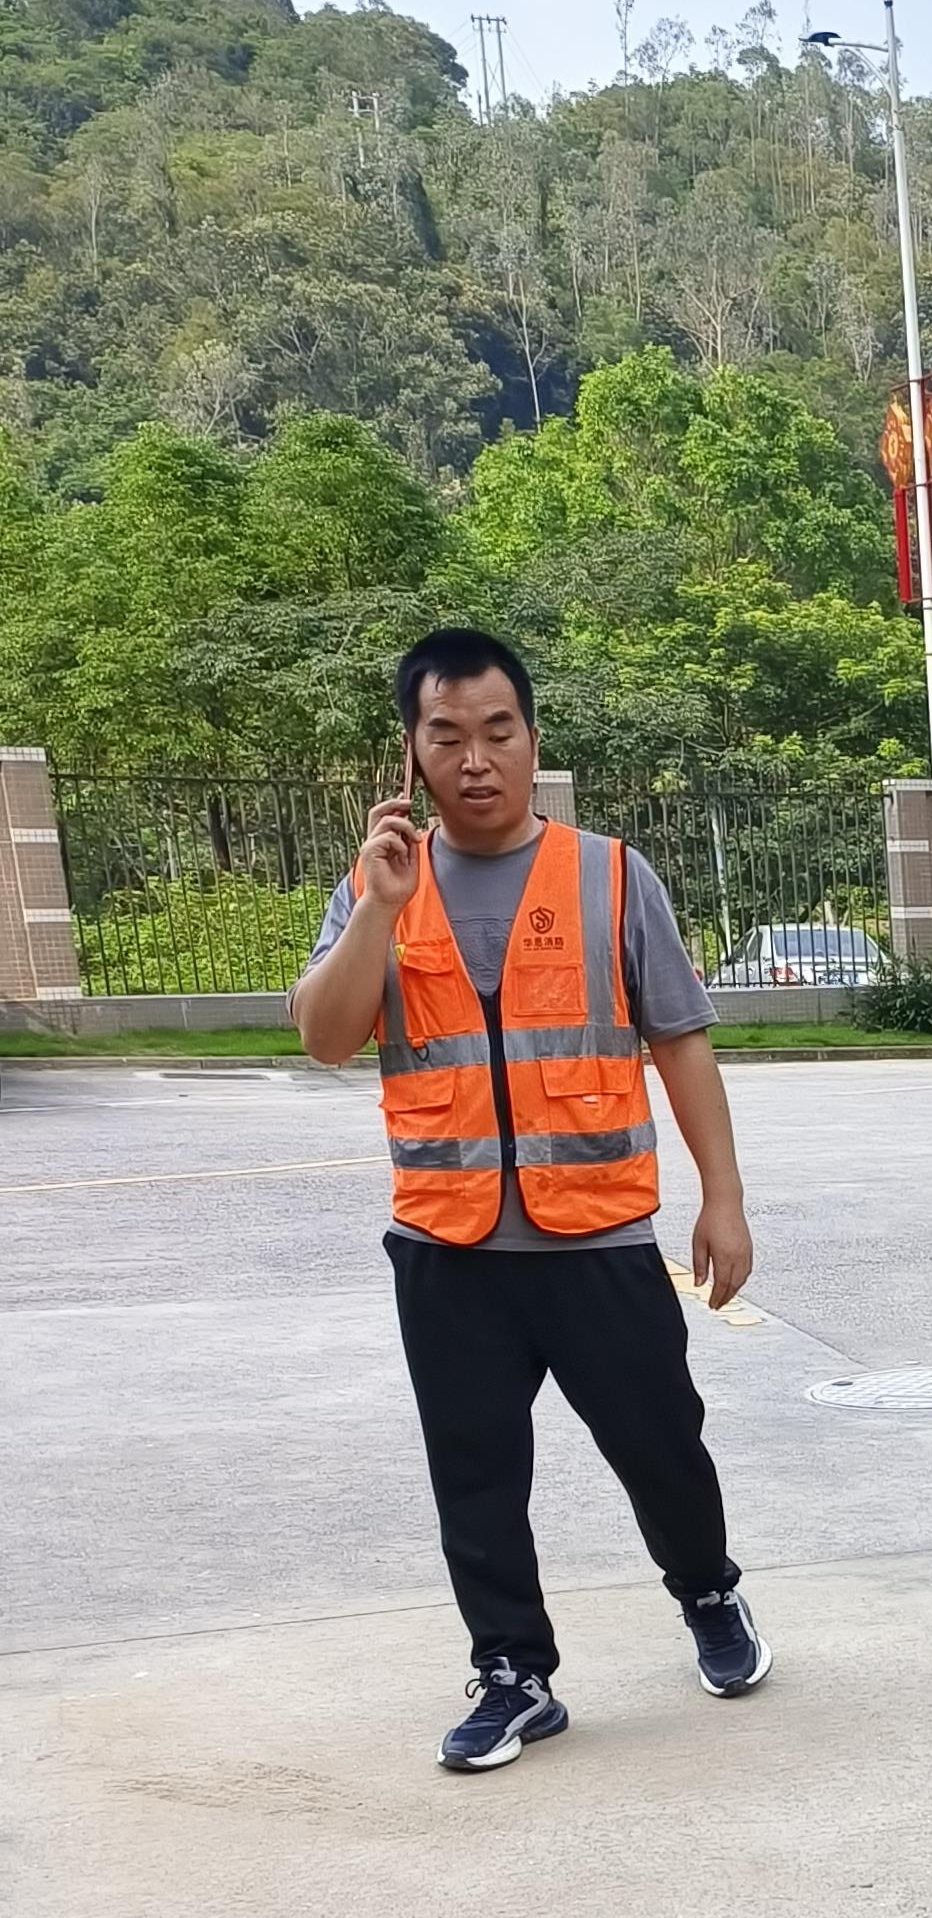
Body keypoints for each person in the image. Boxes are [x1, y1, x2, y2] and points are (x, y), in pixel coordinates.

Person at [291, 627, 771, 1769]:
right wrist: (376, 907)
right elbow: (323, 1037)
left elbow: (682, 1043)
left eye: (497, 731)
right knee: (476, 1472)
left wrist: (725, 1200)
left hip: (597, 1236)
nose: (475, 759)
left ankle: (708, 1592)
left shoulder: (611, 874)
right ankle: (513, 1671)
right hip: (449, 1250)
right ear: (410, 754)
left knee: (663, 1446)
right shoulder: (377, 887)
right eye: (446, 736)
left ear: (532, 738)